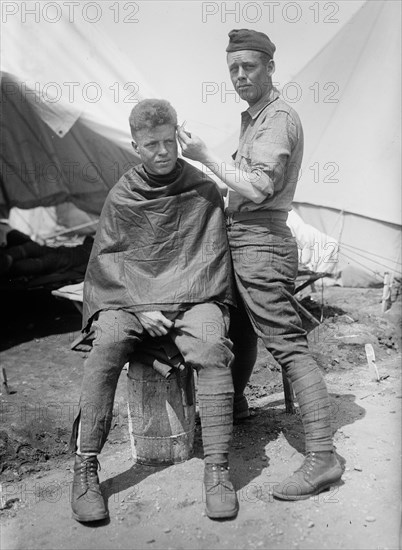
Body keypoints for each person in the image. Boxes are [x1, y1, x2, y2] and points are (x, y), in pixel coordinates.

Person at [177, 28, 343, 501]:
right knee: (243, 329)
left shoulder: (278, 119)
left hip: (264, 240)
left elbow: (256, 188)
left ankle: (323, 457)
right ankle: (237, 407)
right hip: (244, 238)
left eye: (249, 66)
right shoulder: (255, 119)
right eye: (233, 68)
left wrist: (205, 154)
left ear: (271, 68)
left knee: (287, 344)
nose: (240, 75)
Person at [70, 99, 239, 523]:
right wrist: (141, 306)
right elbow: (109, 263)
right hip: (130, 303)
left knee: (212, 346)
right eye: (151, 145)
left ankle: (217, 469)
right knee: (105, 345)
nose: (162, 152)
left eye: (169, 141)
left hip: (192, 298)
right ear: (135, 146)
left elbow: (209, 257)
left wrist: (175, 301)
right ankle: (85, 467)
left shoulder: (201, 189)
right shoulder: (122, 194)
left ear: (178, 137)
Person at [0, 223, 93, 278]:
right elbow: (88, 239)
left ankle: (10, 266)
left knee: (45, 259)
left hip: (69, 257)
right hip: (67, 253)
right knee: (35, 250)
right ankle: (8, 262)